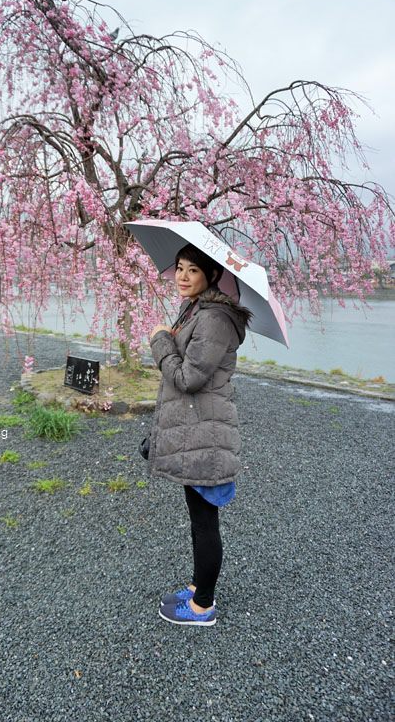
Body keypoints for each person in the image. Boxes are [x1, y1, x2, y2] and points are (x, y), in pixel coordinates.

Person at [148, 244, 252, 627]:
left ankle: (202, 607)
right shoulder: (196, 310)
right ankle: (198, 586)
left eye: (193, 270)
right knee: (198, 518)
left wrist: (160, 340)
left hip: (206, 435)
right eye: (178, 268)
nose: (182, 276)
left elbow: (188, 378)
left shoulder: (214, 319)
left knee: (205, 522)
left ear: (210, 276)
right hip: (195, 430)